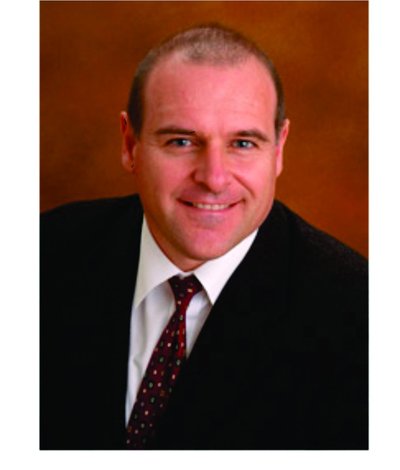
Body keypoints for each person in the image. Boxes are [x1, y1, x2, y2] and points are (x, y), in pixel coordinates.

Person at [40, 23, 368, 450]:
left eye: (243, 144)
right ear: (130, 143)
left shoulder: (360, 315)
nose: (213, 178)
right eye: (181, 141)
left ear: (279, 149)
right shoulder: (45, 255)